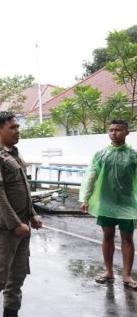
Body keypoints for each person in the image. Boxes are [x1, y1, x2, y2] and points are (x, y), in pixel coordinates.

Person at [0, 111, 42, 317]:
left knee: (17, 277)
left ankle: (11, 313)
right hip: (5, 228)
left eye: (17, 127)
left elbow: (23, 187)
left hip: (23, 225)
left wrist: (31, 214)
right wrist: (15, 224)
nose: (17, 131)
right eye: (12, 127)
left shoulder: (13, 153)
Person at [79, 119, 137, 290]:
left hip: (128, 203)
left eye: (118, 130)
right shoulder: (101, 154)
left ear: (127, 132)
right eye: (111, 130)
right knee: (107, 236)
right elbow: (91, 176)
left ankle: (126, 275)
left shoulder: (133, 156)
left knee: (127, 238)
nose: (114, 133)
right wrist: (85, 198)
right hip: (106, 202)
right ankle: (109, 271)